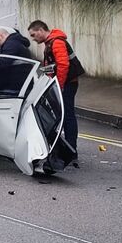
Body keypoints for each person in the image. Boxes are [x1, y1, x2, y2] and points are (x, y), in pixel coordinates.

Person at [28, 20, 84, 153]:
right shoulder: (51, 42)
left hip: (68, 84)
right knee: (63, 115)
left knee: (67, 115)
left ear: (41, 30)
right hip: (66, 83)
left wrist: (59, 85)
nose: (33, 39)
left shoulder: (56, 42)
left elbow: (63, 65)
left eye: (33, 35)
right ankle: (68, 147)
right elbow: (53, 65)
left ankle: (71, 149)